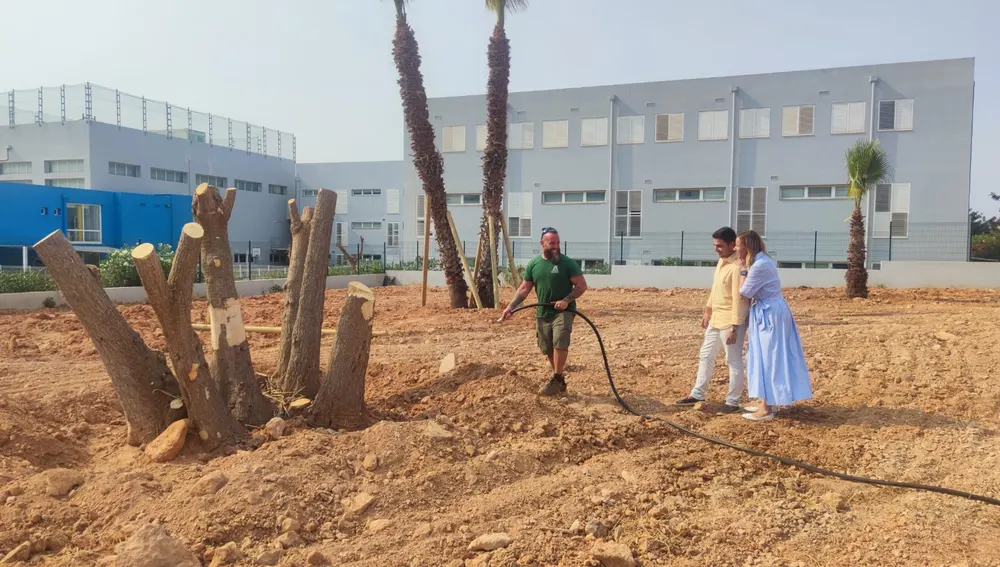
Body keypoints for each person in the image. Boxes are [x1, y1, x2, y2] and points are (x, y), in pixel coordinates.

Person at [735, 230, 813, 421]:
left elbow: (743, 292)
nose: (736, 248)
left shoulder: (759, 266)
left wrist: (743, 270)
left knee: (769, 358)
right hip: (770, 311)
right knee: (765, 356)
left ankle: (767, 409)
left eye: (738, 245)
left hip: (770, 314)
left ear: (747, 247)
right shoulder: (762, 262)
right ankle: (766, 401)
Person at [501, 227, 588, 396]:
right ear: (542, 243)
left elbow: (581, 286)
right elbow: (524, 289)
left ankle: (555, 378)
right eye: (551, 243)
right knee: (547, 347)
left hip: (564, 311)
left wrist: (566, 300)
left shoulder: (567, 263)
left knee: (560, 340)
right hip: (543, 312)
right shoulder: (534, 264)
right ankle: (560, 380)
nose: (555, 246)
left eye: (557, 242)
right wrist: (511, 307)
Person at [676, 227, 749, 413]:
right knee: (705, 355)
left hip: (730, 322)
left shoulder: (737, 268)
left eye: (720, 245)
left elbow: (739, 299)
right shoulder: (722, 263)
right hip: (716, 319)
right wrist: (707, 311)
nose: (716, 249)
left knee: (732, 361)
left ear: (733, 245)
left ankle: (732, 401)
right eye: (715, 245)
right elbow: (715, 289)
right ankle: (697, 393)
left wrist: (735, 326)